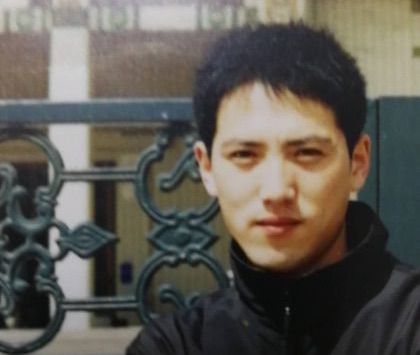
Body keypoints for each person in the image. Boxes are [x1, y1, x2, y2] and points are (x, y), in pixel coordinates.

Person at [127, 23, 420, 354]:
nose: (277, 190)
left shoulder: (411, 326)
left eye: (307, 153)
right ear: (206, 168)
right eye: (244, 155)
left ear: (358, 163)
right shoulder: (174, 345)